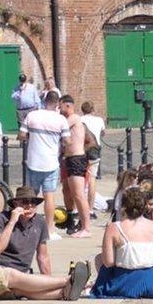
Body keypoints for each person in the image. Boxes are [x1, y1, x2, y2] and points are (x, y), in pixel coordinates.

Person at [90, 186, 153, 299]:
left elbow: (109, 262)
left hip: (125, 282)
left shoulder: (114, 228)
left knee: (99, 258)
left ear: (123, 207)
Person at [20, 90, 69, 240]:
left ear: (44, 100)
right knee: (49, 197)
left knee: (31, 197)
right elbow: (67, 141)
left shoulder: (32, 115)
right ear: (57, 103)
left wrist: (32, 136)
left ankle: (27, 226)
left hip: (33, 161)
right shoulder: (61, 120)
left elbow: (21, 135)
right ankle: (49, 230)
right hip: (51, 162)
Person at [0, 187, 51, 274]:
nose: (29, 206)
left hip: (22, 273)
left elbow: (43, 257)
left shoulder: (39, 221)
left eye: (33, 202)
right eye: (25, 201)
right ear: (15, 204)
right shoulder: (2, 219)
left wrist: (49, 282)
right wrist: (12, 222)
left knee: (60, 284)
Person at [59, 95, 91, 238]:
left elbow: (61, 126)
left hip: (77, 159)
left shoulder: (74, 118)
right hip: (69, 159)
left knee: (79, 194)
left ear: (67, 105)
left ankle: (86, 228)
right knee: (70, 192)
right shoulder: (69, 119)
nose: (59, 109)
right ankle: (77, 222)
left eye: (60, 105)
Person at [79, 101, 105, 217]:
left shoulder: (79, 119)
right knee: (92, 179)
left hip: (82, 149)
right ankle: (90, 209)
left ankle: (78, 208)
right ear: (93, 109)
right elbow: (103, 133)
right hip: (95, 150)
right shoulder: (99, 120)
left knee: (80, 178)